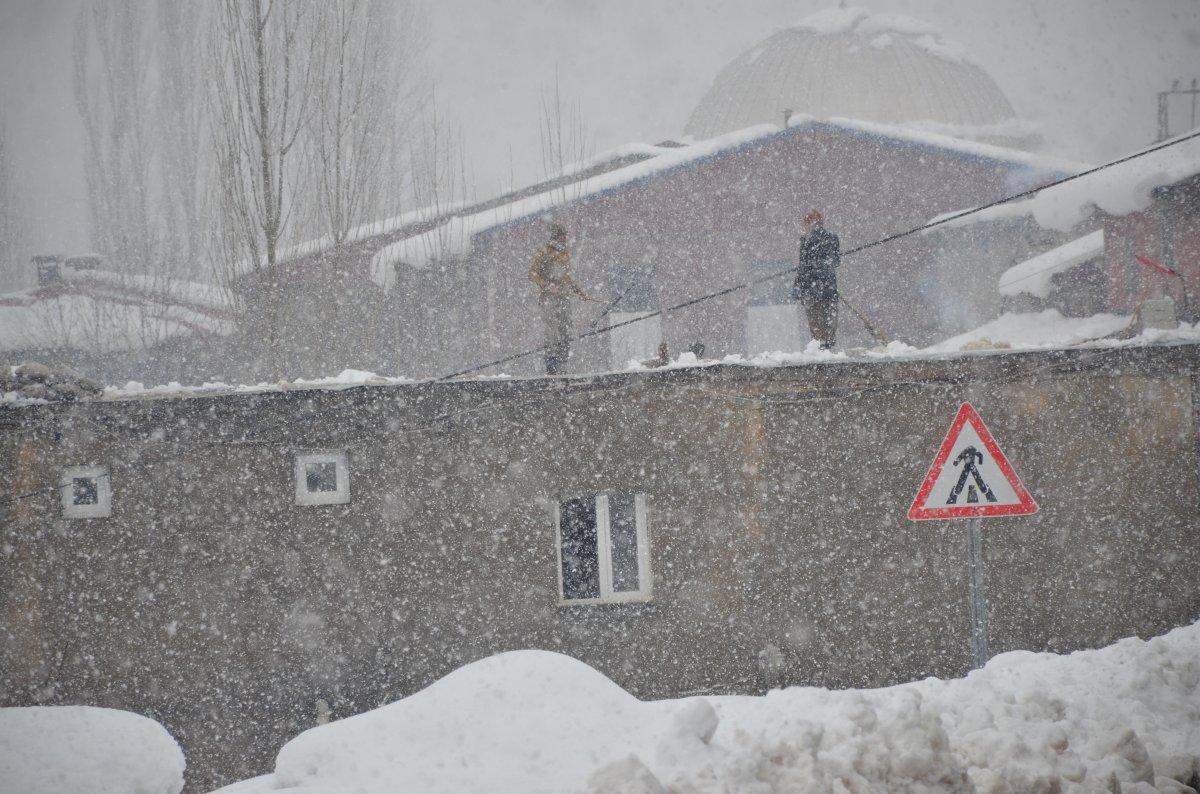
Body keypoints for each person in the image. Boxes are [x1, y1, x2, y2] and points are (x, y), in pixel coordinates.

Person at [528, 222, 596, 374]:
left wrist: (579, 292)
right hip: (548, 298)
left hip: (563, 298)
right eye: (561, 237)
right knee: (552, 332)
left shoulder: (565, 254)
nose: (564, 240)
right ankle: (551, 368)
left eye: (565, 237)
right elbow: (532, 273)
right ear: (554, 238)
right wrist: (547, 285)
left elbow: (566, 277)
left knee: (565, 330)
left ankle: (563, 367)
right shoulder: (544, 252)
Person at [792, 209, 841, 349]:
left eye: (807, 223)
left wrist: (813, 270)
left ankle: (822, 346)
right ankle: (823, 346)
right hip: (820, 288)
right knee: (824, 322)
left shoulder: (826, 238)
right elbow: (803, 265)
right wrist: (798, 285)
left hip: (821, 288)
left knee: (820, 322)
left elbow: (833, 261)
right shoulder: (806, 240)